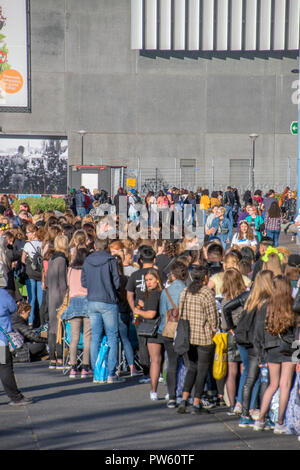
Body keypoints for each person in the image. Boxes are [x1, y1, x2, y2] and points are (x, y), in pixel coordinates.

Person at [253, 275, 297, 434]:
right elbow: (297, 332)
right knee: (285, 385)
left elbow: (258, 332)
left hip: (271, 347)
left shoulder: (266, 306)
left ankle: (260, 419)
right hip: (290, 348)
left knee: (273, 384)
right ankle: (280, 422)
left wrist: (260, 354)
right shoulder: (292, 306)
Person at [177, 265, 219, 415]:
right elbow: (213, 318)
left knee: (191, 368)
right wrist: (214, 330)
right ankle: (196, 402)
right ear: (205, 277)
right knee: (202, 371)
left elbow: (180, 312)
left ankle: (183, 399)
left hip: (188, 337)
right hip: (203, 337)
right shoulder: (206, 293)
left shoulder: (185, 292)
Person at [81, 238, 122, 384]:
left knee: (95, 337)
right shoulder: (111, 260)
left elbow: (83, 282)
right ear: (107, 247)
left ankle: (97, 373)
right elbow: (116, 282)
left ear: (94, 246)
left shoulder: (87, 260)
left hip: (92, 300)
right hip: (108, 300)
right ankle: (111, 373)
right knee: (112, 337)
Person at [237, 270, 275, 428]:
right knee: (265, 380)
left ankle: (244, 414)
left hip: (251, 344)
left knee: (250, 379)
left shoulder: (251, 299)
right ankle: (264, 415)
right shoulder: (268, 302)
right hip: (263, 344)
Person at [159, 261, 188, 408]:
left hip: (169, 329)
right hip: (185, 330)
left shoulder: (166, 292)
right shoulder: (188, 291)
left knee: (172, 363)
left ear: (173, 274)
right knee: (187, 363)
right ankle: (184, 393)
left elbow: (162, 312)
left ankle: (171, 396)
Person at [126, 245, 157, 383]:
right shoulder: (158, 274)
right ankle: (159, 371)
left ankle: (146, 373)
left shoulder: (134, 275)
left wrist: (134, 310)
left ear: (140, 260)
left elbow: (129, 295)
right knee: (156, 342)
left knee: (142, 343)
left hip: (139, 313)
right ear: (154, 259)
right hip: (155, 312)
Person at [221, 268, 248, 415]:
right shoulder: (245, 298)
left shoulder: (226, 300)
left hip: (231, 335)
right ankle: (243, 402)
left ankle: (232, 405)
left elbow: (224, 325)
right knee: (245, 369)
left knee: (231, 372)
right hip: (245, 335)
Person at [61, 248, 92, 378]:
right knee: (87, 337)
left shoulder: (71, 270)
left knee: (73, 337)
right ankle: (86, 366)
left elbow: (68, 286)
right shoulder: (89, 270)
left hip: (73, 303)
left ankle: (73, 366)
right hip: (87, 302)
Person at [0, 287, 34, 406]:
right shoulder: (2, 294)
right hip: (1, 340)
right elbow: (14, 308)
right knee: (5, 368)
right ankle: (15, 397)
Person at [134, 268, 163, 400]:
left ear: (157, 279)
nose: (148, 283)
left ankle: (154, 391)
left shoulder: (153, 294)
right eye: (146, 280)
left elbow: (151, 314)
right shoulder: (163, 292)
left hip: (154, 330)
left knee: (155, 360)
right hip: (165, 328)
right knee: (166, 359)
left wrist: (138, 310)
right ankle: (171, 391)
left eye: (150, 279)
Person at [45, 234, 69, 370]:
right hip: (60, 295)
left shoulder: (52, 259)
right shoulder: (62, 260)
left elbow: (47, 279)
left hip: (51, 295)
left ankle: (52, 357)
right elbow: (63, 282)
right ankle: (59, 355)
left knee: (52, 327)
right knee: (60, 326)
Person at [21, 224, 43, 327]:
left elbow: (22, 259)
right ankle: (41, 321)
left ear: (34, 233)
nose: (26, 234)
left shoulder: (27, 245)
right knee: (40, 299)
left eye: (28, 232)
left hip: (30, 274)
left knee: (31, 299)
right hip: (41, 274)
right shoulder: (42, 244)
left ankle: (30, 321)